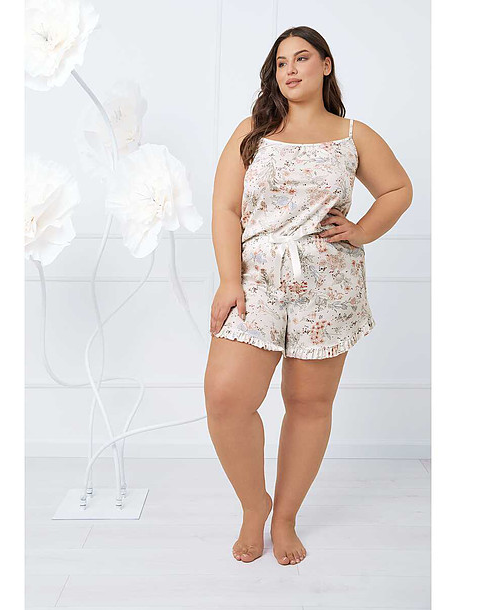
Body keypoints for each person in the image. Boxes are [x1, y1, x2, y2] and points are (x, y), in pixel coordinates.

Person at [203, 25, 412, 566]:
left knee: (309, 403)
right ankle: (256, 505)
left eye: (301, 58)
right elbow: (226, 208)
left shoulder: (352, 135)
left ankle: (286, 517)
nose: (290, 69)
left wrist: (362, 231)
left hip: (329, 284)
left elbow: (398, 189)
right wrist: (229, 279)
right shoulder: (253, 131)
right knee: (226, 397)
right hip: (257, 278)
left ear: (326, 64)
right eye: (280, 63)